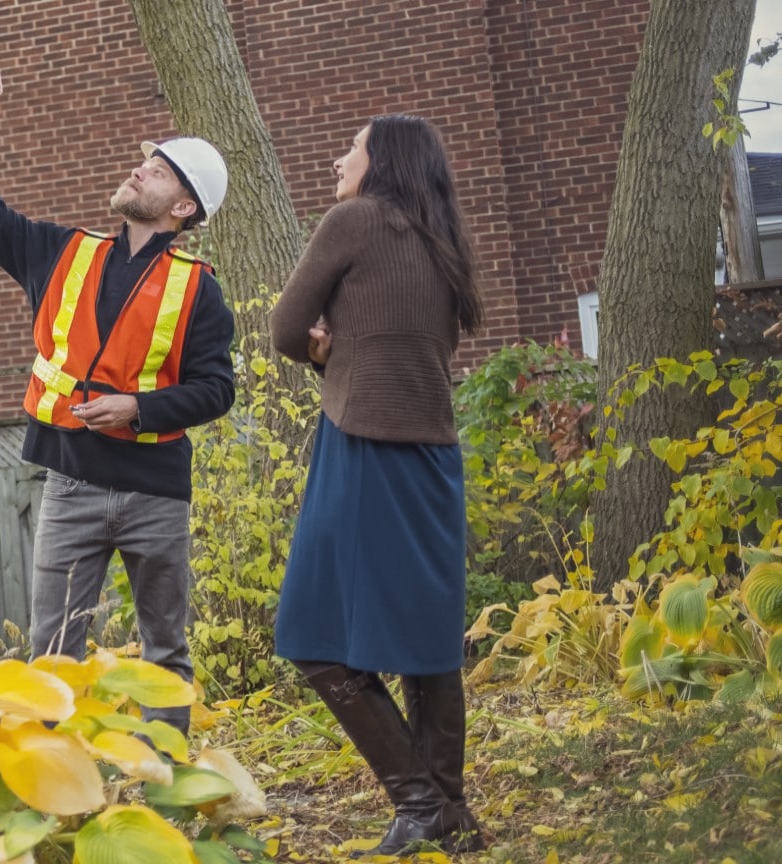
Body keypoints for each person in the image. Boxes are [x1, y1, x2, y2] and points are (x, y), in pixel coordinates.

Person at [0, 48, 236, 733]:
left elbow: (217, 389)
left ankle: (171, 797)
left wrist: (138, 409)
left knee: (166, 654)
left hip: (156, 495)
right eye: (146, 161)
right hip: (71, 487)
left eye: (159, 170)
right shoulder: (61, 253)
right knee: (52, 655)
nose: (140, 167)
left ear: (183, 205)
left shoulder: (200, 288)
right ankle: (56, 809)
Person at [269, 114, 487, 855]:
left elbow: (283, 327)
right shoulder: (442, 240)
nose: (339, 156)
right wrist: (342, 345)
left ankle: (418, 802)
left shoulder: (353, 220)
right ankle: (449, 815)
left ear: (383, 161)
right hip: (434, 459)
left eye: (351, 147)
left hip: (361, 447)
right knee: (427, 641)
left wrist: (319, 348)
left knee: (308, 632)